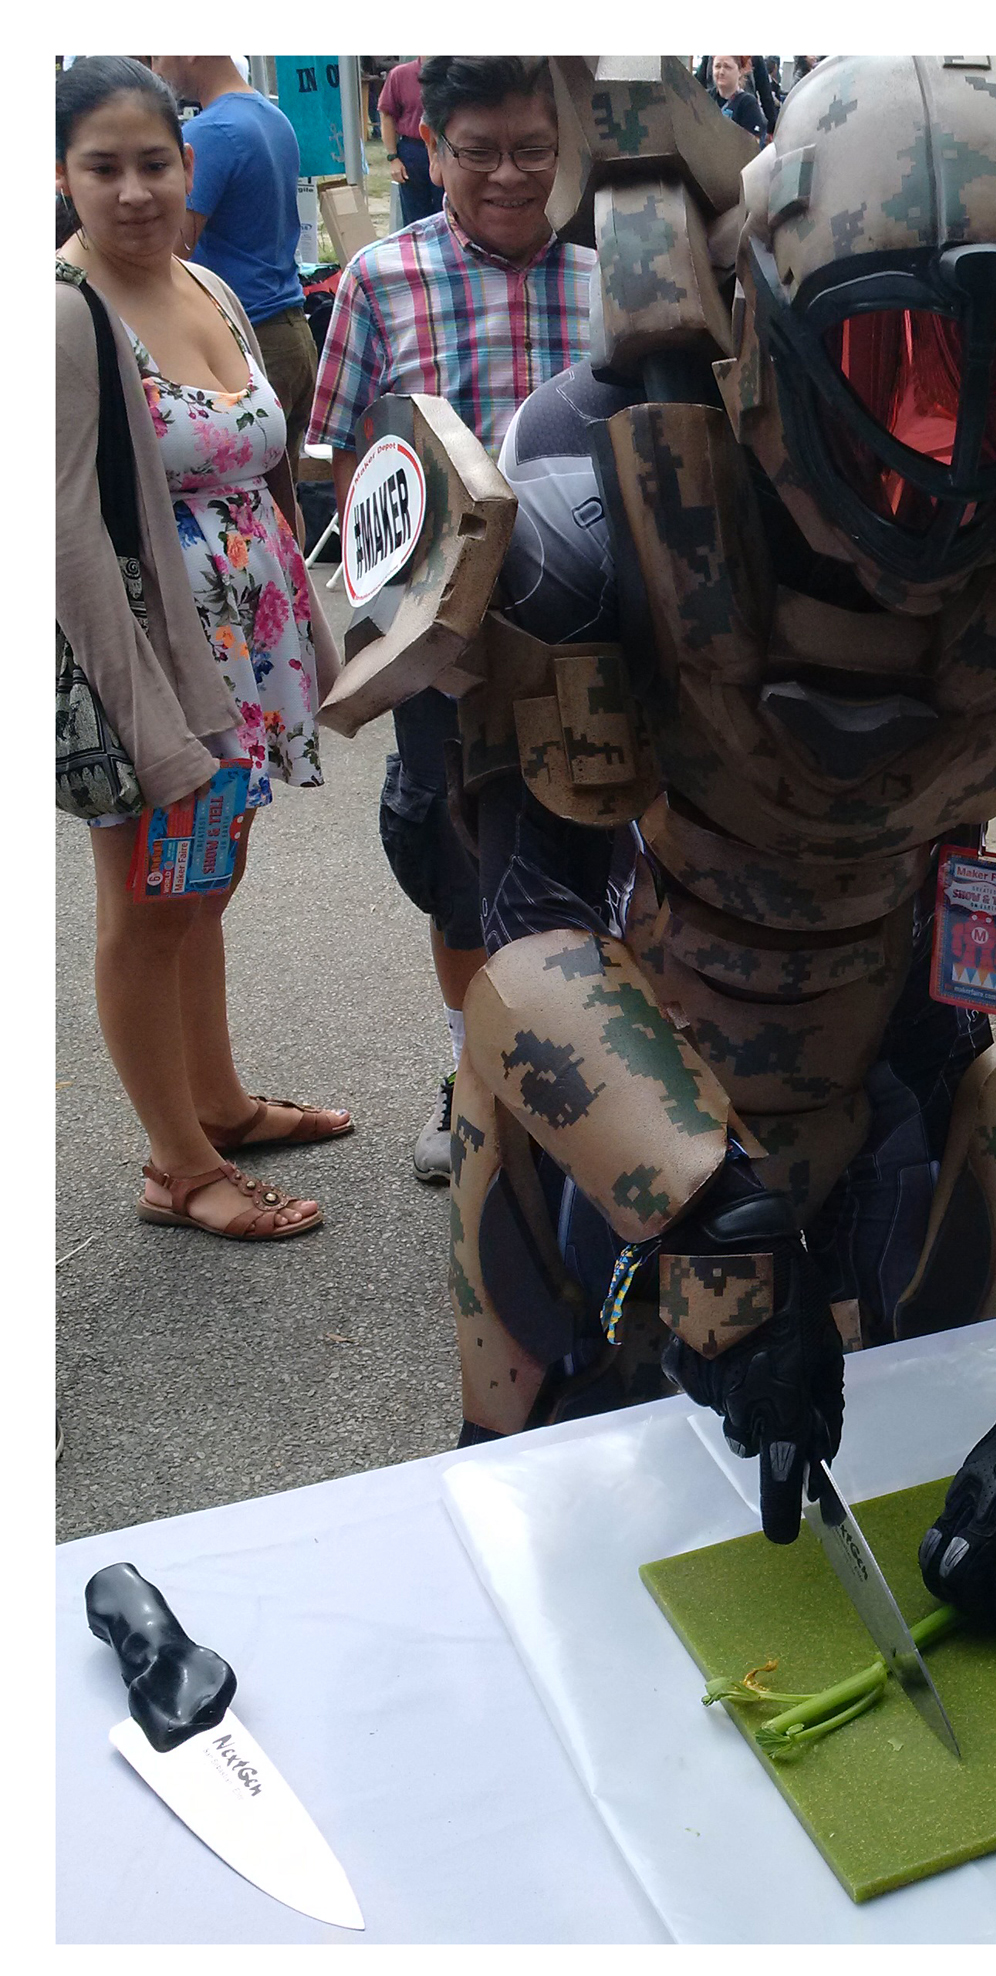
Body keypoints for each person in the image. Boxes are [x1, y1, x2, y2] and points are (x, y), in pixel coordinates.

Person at [436, 56, 996, 1641]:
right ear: (769, 312)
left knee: (915, 1484)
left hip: (906, 1063)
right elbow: (514, 905)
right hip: (635, 1057)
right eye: (899, 363)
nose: (950, 451)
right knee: (550, 1557)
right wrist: (705, 1216)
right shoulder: (598, 489)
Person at [56, 57, 346, 1242]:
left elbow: (265, 483)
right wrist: (155, 722)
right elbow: (64, 536)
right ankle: (177, 1165)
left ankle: (218, 1100)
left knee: (207, 880)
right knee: (145, 906)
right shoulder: (60, 315)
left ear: (189, 163)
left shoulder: (211, 287)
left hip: (243, 651)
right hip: (149, 663)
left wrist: (313, 649)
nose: (134, 191)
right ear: (58, 173)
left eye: (154, 163)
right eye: (102, 166)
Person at [306, 57, 595, 1184]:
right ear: (433, 151)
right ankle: (472, 1074)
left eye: (531, 147)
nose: (508, 174)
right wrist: (404, 612)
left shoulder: (611, 281)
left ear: (560, 150)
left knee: (604, 843)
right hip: (445, 649)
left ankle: (593, 1080)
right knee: (459, 856)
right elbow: (344, 454)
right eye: (479, 151)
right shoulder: (380, 280)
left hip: (592, 638)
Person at [147, 59, 318, 501]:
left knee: (244, 514)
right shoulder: (272, 116)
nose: (155, 65)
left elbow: (171, 248)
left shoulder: (209, 133)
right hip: (291, 329)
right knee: (282, 509)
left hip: (245, 341)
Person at [378, 58, 442, 228]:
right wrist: (393, 158)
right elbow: (387, 115)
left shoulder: (454, 73)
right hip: (413, 151)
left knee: (447, 212)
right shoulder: (400, 74)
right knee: (415, 218)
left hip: (446, 149)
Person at [711, 55, 769, 142]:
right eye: (717, 66)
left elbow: (752, 146)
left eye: (727, 67)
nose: (721, 72)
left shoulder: (748, 104)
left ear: (740, 71)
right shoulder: (706, 96)